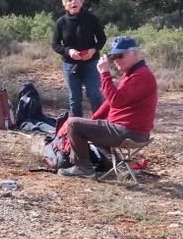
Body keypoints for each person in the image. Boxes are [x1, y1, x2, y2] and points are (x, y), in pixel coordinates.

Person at [58, 36, 157, 179]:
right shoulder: (133, 73)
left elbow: (115, 101)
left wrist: (104, 74)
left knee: (73, 124)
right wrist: (92, 121)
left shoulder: (140, 76)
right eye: (113, 57)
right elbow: (110, 102)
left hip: (128, 132)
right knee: (86, 125)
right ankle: (119, 165)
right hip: (129, 130)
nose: (116, 60)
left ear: (135, 53)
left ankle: (83, 168)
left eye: (120, 56)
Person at [52, 0, 106, 117]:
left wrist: (93, 50)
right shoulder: (61, 22)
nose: (73, 2)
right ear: (65, 5)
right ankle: (77, 128)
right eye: (69, 0)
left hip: (91, 63)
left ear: (81, 2)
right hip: (70, 65)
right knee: (75, 99)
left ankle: (100, 126)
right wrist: (68, 51)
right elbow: (55, 44)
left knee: (95, 95)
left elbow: (102, 38)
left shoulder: (91, 19)